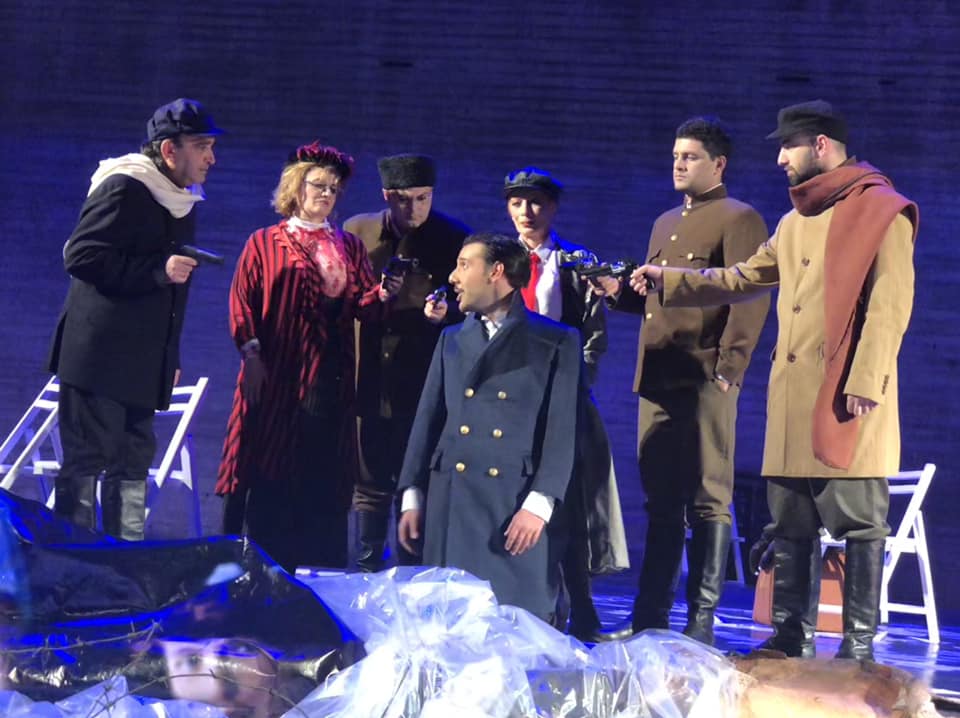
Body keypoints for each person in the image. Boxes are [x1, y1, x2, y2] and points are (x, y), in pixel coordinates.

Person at [628, 100, 918, 660]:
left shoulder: (884, 212)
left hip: (846, 392)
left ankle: (858, 647)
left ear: (821, 146)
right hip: (791, 397)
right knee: (791, 520)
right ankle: (789, 636)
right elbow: (741, 278)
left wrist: (866, 379)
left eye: (788, 147)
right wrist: (670, 278)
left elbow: (890, 306)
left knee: (859, 520)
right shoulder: (794, 220)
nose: (781, 159)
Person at [593, 116, 769, 645]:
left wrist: (729, 369)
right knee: (661, 501)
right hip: (659, 374)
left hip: (703, 376)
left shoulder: (739, 217)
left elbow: (749, 296)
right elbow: (661, 300)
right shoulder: (666, 220)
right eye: (675, 155)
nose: (678, 164)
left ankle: (701, 622)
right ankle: (650, 616)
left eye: (690, 157)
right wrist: (618, 293)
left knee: (708, 497)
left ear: (719, 164)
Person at [215, 141, 402, 573]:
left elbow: (362, 305)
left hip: (331, 376)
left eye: (334, 189)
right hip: (278, 374)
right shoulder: (265, 242)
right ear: (296, 187)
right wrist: (252, 355)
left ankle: (318, 574)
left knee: (321, 472)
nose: (327, 195)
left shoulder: (348, 247)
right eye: (319, 185)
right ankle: (263, 571)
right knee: (272, 467)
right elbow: (242, 305)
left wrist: (382, 294)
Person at [48, 98, 222, 541]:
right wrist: (157, 270)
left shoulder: (180, 200)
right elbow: (81, 255)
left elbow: (170, 291)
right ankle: (72, 566)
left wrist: (168, 354)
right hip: (100, 356)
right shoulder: (125, 185)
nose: (211, 158)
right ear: (168, 150)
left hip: (142, 359)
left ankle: (122, 566)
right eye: (201, 146)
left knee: (133, 463)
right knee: (88, 459)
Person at [397, 233, 582, 621]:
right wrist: (412, 493)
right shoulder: (451, 339)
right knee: (447, 622)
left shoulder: (554, 341)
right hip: (451, 502)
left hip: (512, 505)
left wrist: (539, 505)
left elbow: (561, 432)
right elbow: (428, 420)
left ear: (496, 272)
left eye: (465, 265)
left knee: (514, 623)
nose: (453, 277)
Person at [503, 167, 629, 641]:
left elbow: (594, 335)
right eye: (517, 203)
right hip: (509, 397)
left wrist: (574, 382)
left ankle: (582, 612)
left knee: (568, 503)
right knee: (511, 499)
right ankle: (520, 608)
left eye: (536, 202)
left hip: (562, 393)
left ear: (552, 208)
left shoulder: (574, 263)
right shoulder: (497, 259)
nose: (526, 212)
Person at [348, 154, 470, 571]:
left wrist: (446, 314)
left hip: (421, 375)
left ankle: (411, 573)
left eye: (423, 198)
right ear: (387, 196)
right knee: (368, 476)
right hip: (369, 371)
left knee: (415, 474)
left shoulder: (454, 238)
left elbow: (470, 305)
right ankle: (367, 566)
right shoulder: (358, 232)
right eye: (403, 199)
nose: (414, 208)